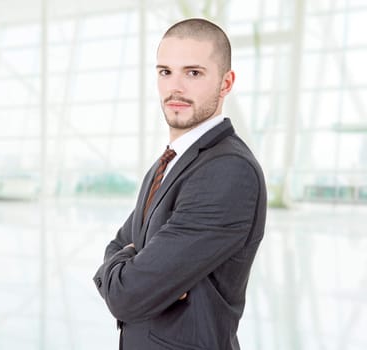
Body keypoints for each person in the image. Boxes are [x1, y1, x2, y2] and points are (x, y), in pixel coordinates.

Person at [93, 18, 267, 350]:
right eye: (165, 72)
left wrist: (129, 265)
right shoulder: (170, 162)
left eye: (194, 73)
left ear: (226, 82)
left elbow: (127, 296)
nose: (176, 88)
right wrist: (128, 262)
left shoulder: (228, 170)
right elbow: (118, 246)